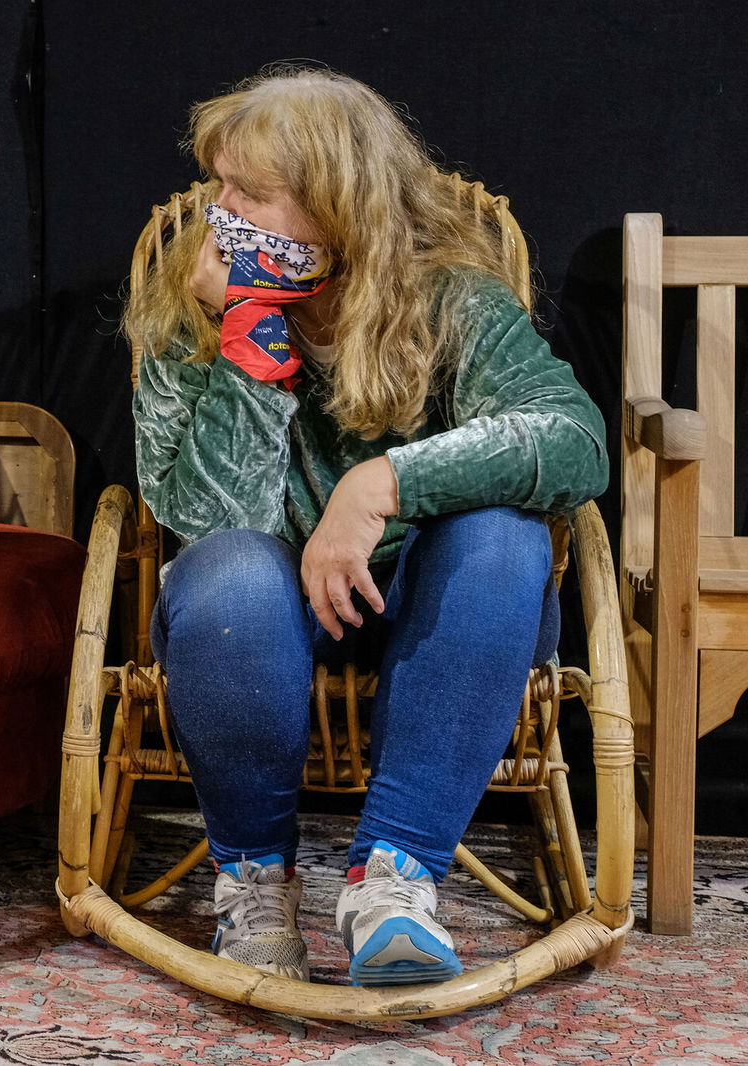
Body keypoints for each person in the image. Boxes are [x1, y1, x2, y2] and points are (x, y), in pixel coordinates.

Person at [125, 66, 607, 988]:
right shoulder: (190, 313)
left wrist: (381, 484)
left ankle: (391, 885)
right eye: (220, 185)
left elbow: (573, 439)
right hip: (261, 622)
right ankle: (255, 885)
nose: (220, 212)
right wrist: (249, 346)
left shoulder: (452, 301)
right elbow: (204, 521)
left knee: (505, 535)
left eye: (250, 193)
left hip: (438, 612)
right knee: (228, 573)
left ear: (340, 209)